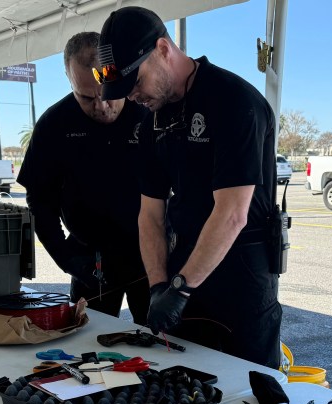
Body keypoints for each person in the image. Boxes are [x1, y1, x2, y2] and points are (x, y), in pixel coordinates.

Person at [96, 7, 282, 369]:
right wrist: (158, 287)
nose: (132, 96)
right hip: (183, 277)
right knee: (183, 388)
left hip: (241, 280)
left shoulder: (233, 102)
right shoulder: (153, 122)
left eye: (136, 82)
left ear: (164, 49)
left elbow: (232, 214)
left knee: (250, 398)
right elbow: (150, 214)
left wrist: (179, 289)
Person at [17, 31, 149, 323]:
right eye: (86, 97)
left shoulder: (146, 111)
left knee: (161, 346)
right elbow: (40, 202)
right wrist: (66, 259)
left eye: (108, 93)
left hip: (150, 257)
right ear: (68, 78)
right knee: (88, 350)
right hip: (91, 261)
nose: (101, 106)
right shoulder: (54, 124)